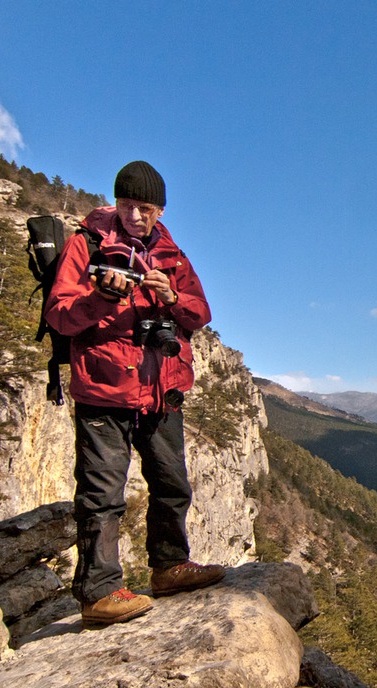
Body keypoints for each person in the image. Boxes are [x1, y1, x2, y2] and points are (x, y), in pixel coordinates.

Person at [46, 160, 225, 625]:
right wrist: (100, 298)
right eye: (128, 205)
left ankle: (169, 566)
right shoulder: (85, 244)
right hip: (105, 388)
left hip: (161, 387)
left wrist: (171, 297)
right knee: (103, 491)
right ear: (116, 202)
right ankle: (99, 592)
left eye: (145, 208)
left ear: (160, 210)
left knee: (172, 483)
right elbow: (60, 317)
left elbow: (199, 313)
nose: (136, 216)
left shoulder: (171, 252)